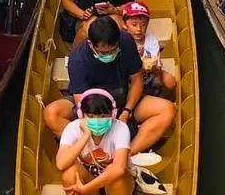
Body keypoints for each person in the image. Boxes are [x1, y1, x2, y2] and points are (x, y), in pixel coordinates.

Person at [44, 14, 177, 171]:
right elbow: (80, 99)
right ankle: (87, 152)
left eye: (112, 51)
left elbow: (137, 80)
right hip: (90, 105)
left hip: (123, 98)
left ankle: (124, 155)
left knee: (167, 110)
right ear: (91, 44)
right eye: (103, 52)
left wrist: (127, 111)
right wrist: (94, 122)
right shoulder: (78, 59)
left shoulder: (126, 41)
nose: (108, 55)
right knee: (51, 113)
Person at [53, 89, 139, 195]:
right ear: (81, 115)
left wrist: (86, 188)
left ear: (112, 114)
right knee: (68, 173)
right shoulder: (73, 128)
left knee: (115, 173)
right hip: (90, 185)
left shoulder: (120, 128)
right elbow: (61, 163)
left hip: (117, 186)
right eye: (91, 116)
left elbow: (119, 168)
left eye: (103, 116)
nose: (97, 121)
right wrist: (85, 136)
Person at [119, 1, 179, 96]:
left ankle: (156, 96)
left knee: (170, 81)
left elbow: (156, 64)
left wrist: (156, 70)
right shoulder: (122, 40)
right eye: (134, 24)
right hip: (130, 75)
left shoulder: (152, 40)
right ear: (124, 24)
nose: (139, 29)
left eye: (143, 25)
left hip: (150, 73)